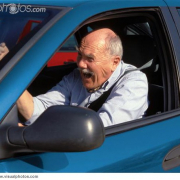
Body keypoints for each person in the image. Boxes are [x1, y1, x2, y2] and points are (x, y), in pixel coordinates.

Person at [8, 28, 149, 127]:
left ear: (114, 62)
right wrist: (10, 75)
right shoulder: (75, 77)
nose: (81, 64)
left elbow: (101, 130)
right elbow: (40, 109)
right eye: (80, 55)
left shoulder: (134, 83)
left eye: (90, 58)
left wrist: (36, 132)